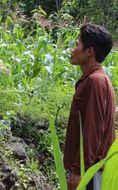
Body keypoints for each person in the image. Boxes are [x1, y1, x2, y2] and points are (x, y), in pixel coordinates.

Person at [63, 23, 116, 190]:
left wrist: (80, 171)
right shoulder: (96, 79)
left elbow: (93, 130)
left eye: (77, 44)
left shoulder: (96, 81)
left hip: (91, 173)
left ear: (89, 52)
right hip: (90, 170)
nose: (72, 49)